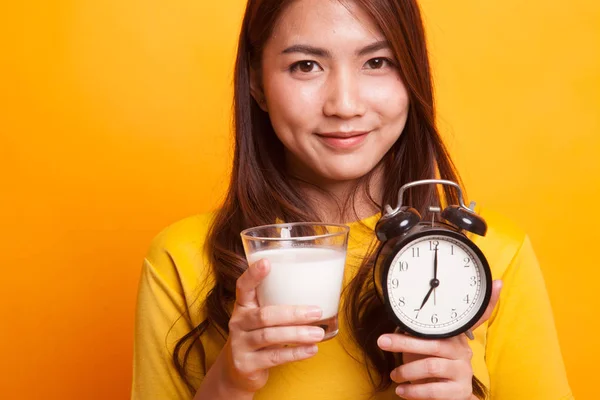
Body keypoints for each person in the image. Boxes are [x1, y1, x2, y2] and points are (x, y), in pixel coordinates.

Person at [131, 0, 574, 399]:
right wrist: (229, 382)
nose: (344, 104)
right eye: (306, 66)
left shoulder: (491, 255)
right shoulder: (184, 260)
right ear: (257, 83)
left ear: (414, 74)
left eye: (377, 61)